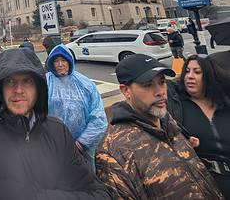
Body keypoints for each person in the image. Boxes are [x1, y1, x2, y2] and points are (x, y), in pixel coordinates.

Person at [0, 48, 110, 199]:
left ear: (39, 87)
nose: (18, 90)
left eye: (27, 81)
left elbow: (98, 193)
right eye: (10, 81)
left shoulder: (57, 130)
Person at [96, 53, 223, 199]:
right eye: (148, 84)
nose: (160, 92)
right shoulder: (113, 151)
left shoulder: (166, 119)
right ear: (126, 91)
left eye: (161, 81)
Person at [166, 54, 230, 198]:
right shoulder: (177, 106)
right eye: (187, 71)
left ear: (209, 76)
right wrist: (182, 143)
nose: (190, 76)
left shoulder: (225, 103)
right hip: (204, 184)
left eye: (197, 72)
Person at [46, 44, 107, 168]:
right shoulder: (45, 83)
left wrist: (82, 142)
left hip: (84, 146)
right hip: (54, 146)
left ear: (70, 61)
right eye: (56, 61)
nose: (60, 64)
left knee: (87, 177)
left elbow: (98, 116)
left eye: (63, 60)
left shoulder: (85, 84)